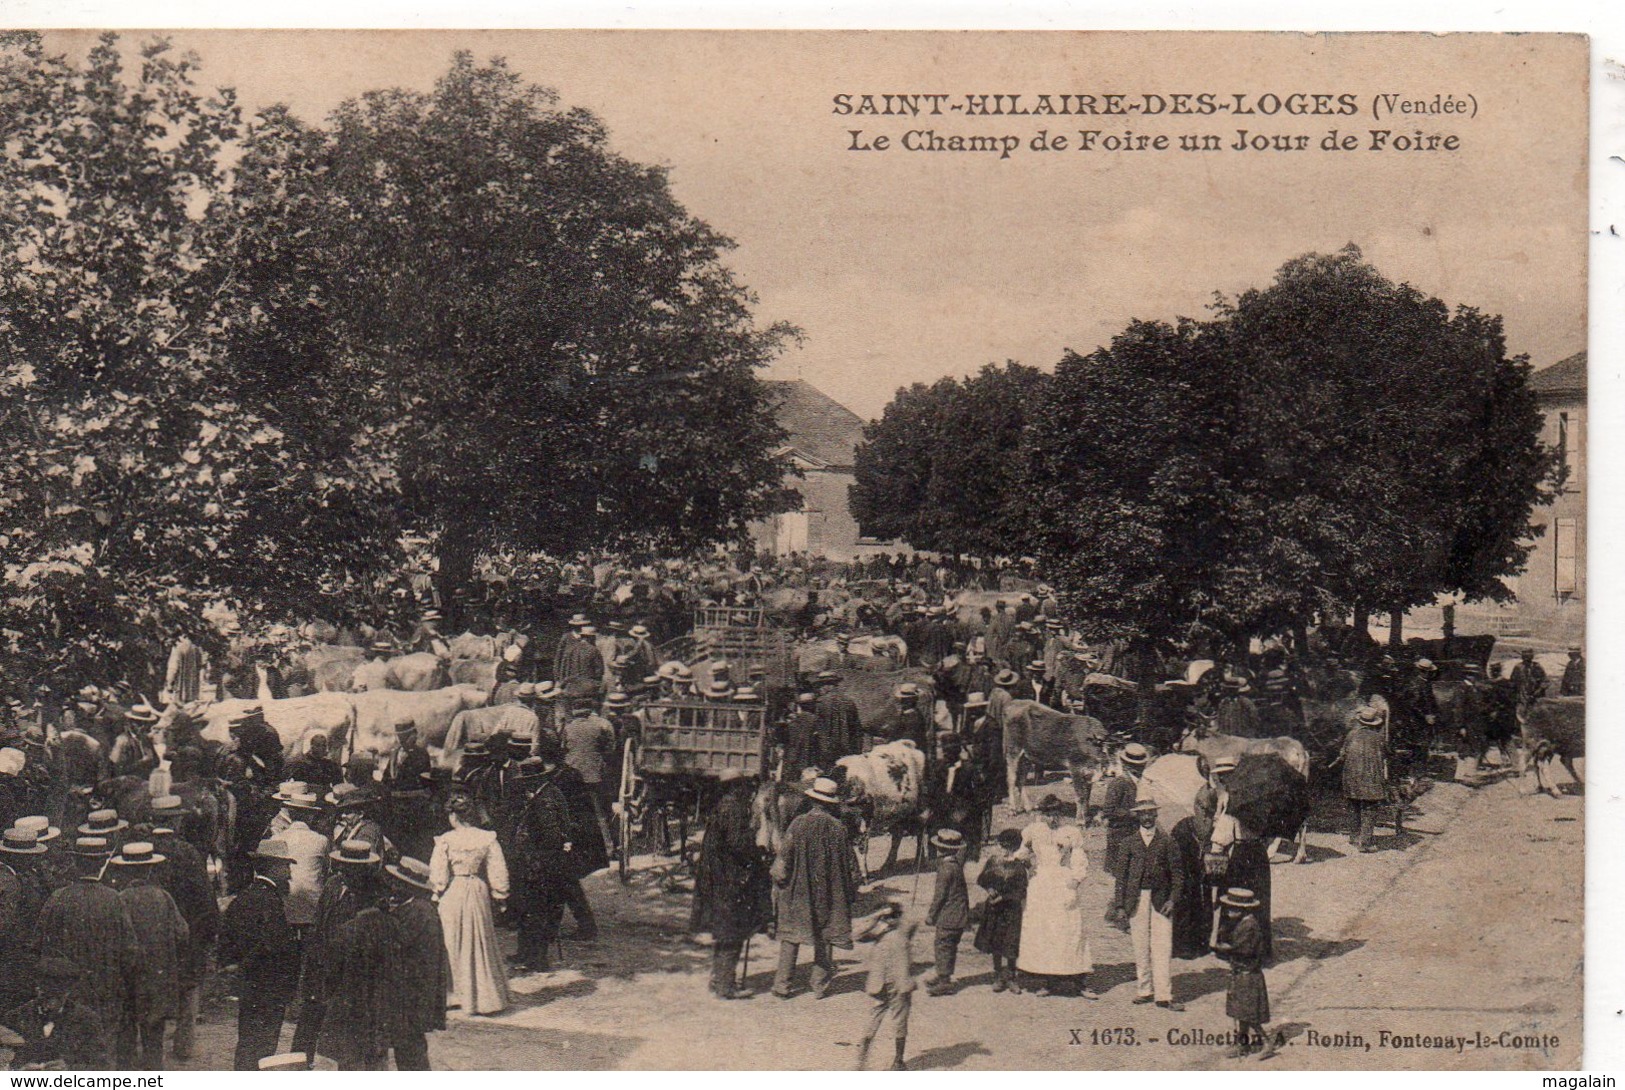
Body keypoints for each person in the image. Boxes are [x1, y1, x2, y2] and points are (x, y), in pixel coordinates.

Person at [34, 836, 137, 1051]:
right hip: (104, 986)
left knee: (65, 1043)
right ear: (101, 863)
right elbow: (130, 948)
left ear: (75, 863)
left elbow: (37, 943)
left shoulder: (58, 897)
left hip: (65, 988)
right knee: (102, 1045)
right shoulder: (114, 899)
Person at [217, 838, 302, 1071]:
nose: (289, 873)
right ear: (273, 867)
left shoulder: (243, 897)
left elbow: (226, 938)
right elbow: (274, 946)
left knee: (247, 1042)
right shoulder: (271, 901)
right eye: (286, 866)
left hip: (250, 987)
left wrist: (236, 967)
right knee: (263, 1048)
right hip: (269, 988)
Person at [314, 843, 399, 1070]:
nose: (345, 872)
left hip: (356, 996)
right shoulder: (333, 886)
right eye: (343, 866)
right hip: (349, 992)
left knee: (358, 1057)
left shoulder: (370, 897)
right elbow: (320, 922)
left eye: (351, 868)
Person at [772, 777, 858, 999]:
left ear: (812, 801)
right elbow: (851, 866)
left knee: (791, 936)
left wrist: (779, 882)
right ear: (831, 804)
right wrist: (849, 893)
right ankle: (819, 985)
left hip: (798, 892)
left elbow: (783, 861)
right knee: (825, 935)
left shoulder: (797, 824)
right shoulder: (839, 829)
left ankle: (783, 985)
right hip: (829, 893)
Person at [105, 841, 188, 1069]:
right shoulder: (164, 898)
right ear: (150, 869)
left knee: (126, 1039)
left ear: (124, 869)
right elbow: (183, 934)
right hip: (157, 979)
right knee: (154, 1040)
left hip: (128, 979)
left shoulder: (119, 898)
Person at [690, 769, 772, 1000]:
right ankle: (726, 986)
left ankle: (718, 978)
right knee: (733, 932)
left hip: (716, 877)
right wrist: (757, 853)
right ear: (736, 786)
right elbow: (739, 845)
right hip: (730, 879)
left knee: (723, 931)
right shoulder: (735, 809)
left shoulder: (721, 806)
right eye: (744, 785)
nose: (747, 790)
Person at [430, 794, 511, 1015]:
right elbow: (498, 868)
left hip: (455, 890)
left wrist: (437, 891)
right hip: (477, 889)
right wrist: (500, 893)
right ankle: (482, 996)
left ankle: (454, 994)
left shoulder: (446, 839)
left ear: (454, 815)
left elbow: (438, 872)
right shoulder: (486, 838)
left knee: (451, 939)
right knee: (478, 939)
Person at [1015, 795, 1097, 998]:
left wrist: (1076, 879)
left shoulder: (1071, 832)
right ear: (1042, 815)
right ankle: (1048, 980)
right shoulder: (1033, 831)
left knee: (1069, 928)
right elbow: (1021, 853)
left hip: (1062, 881)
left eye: (1056, 815)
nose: (1053, 819)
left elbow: (1079, 858)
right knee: (1046, 931)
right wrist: (1029, 867)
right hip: (1041, 883)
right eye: (1049, 814)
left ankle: (1079, 981)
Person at [1116, 800, 1185, 1010]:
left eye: (1151, 814)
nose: (1147, 818)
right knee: (1140, 944)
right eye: (1143, 814)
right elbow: (1121, 877)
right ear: (1137, 817)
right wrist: (1120, 905)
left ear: (1156, 816)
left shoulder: (1167, 842)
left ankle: (1164, 995)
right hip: (1135, 899)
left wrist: (1173, 899)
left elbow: (1178, 875)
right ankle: (1144, 990)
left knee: (1162, 946)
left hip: (1161, 900)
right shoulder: (1128, 843)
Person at [382, 856, 450, 1069]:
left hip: (413, 994)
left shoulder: (418, 912)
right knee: (409, 1047)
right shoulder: (417, 907)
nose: (392, 887)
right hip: (412, 992)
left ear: (408, 886)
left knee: (410, 1050)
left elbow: (399, 943)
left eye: (397, 883)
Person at [1, 957, 112, 1070]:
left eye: (57, 996)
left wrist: (70, 1069)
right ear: (37, 989)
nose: (51, 1003)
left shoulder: (86, 1019)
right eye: (46, 996)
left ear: (68, 992)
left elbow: (101, 1065)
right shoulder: (16, 1017)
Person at [1213, 887, 1277, 1061]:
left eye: (1233, 908)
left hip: (1249, 975)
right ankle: (1242, 1043)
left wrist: (1223, 947)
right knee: (1240, 1012)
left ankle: (1266, 1042)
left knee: (1249, 1015)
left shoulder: (1249, 926)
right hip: (1242, 973)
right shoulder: (1244, 923)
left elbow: (1241, 949)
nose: (1229, 911)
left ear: (1243, 909)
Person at [853, 904, 917, 1071]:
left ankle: (898, 1061)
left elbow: (913, 920)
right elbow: (857, 934)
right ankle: (863, 1059)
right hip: (881, 984)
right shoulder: (881, 932)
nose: (890, 920)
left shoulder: (904, 929)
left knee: (900, 1022)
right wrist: (878, 915)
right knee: (874, 1019)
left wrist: (887, 916)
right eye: (888, 918)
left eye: (893, 917)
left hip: (898, 984)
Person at [1101, 742, 1149, 929]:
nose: (1140, 769)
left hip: (1134, 834)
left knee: (1131, 876)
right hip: (1120, 835)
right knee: (1124, 876)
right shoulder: (1119, 783)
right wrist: (1134, 813)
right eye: (1137, 766)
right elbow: (1109, 810)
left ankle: (1119, 913)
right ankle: (1121, 916)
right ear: (1128, 765)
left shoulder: (1140, 782)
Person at [974, 827, 1028, 993]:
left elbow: (1021, 891)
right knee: (996, 942)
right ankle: (998, 975)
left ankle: (1011, 976)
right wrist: (989, 888)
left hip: (1011, 911)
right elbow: (981, 879)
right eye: (1002, 847)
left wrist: (1003, 898)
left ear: (1014, 848)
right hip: (994, 910)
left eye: (1006, 848)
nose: (1003, 851)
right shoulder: (993, 861)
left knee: (1011, 944)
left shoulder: (1019, 867)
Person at [562, 702, 617, 860]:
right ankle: (609, 848)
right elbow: (610, 749)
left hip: (572, 776)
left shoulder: (567, 728)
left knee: (572, 811)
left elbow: (563, 748)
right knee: (600, 812)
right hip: (595, 775)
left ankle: (575, 848)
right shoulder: (602, 726)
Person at [1330, 707, 1389, 852]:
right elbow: (1386, 755)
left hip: (1352, 777)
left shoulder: (1352, 735)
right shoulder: (1378, 738)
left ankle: (1354, 837)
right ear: (1375, 723)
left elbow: (1343, 754)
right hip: (1371, 778)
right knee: (1369, 808)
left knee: (1354, 805)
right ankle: (1365, 843)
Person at [923, 828, 971, 996]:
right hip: (959, 914)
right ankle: (943, 974)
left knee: (943, 945)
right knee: (948, 946)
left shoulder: (945, 869)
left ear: (941, 849)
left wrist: (931, 915)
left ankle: (945, 981)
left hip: (949, 915)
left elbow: (940, 896)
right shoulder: (956, 863)